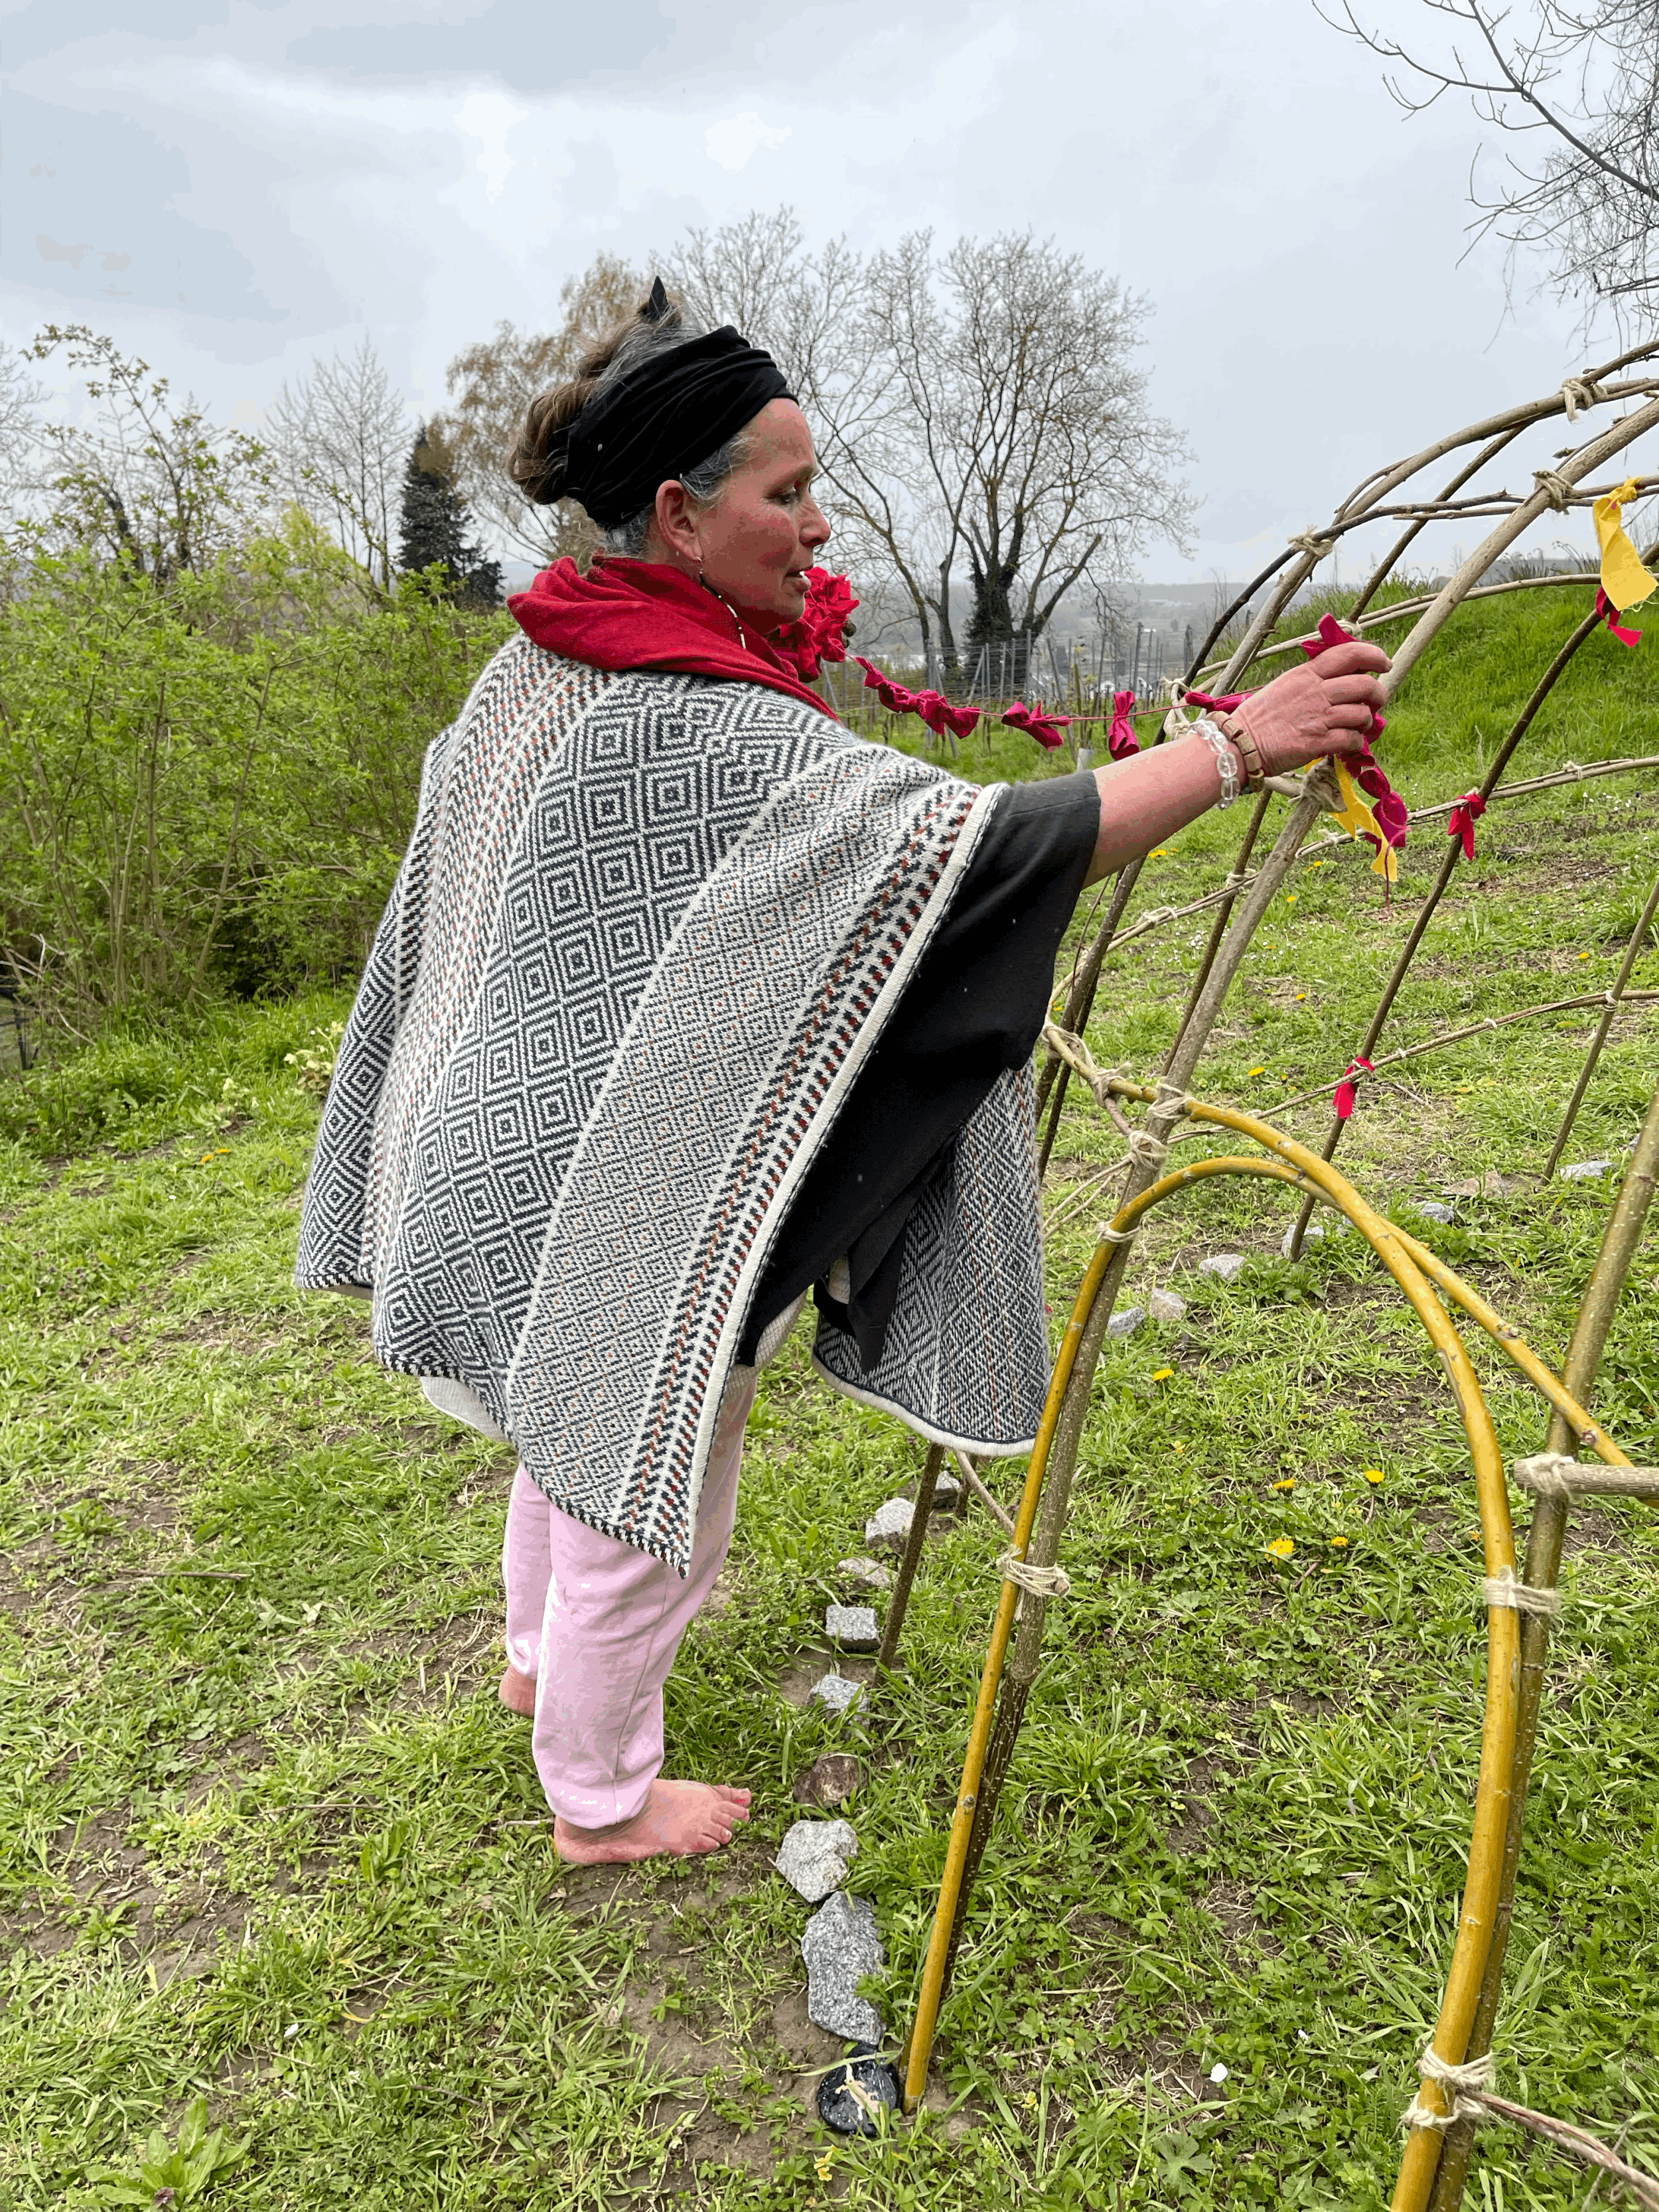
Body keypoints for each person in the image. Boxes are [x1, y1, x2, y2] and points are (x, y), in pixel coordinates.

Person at [297, 281, 1388, 1866]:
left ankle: (537, 1663)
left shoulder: (545, 658)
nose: (818, 527)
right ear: (677, 512)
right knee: (643, 1468)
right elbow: (981, 848)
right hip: (609, 1177)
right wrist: (1238, 747)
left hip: (498, 1139)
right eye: (787, 493)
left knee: (558, 1418)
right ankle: (597, 1797)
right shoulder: (701, 723)